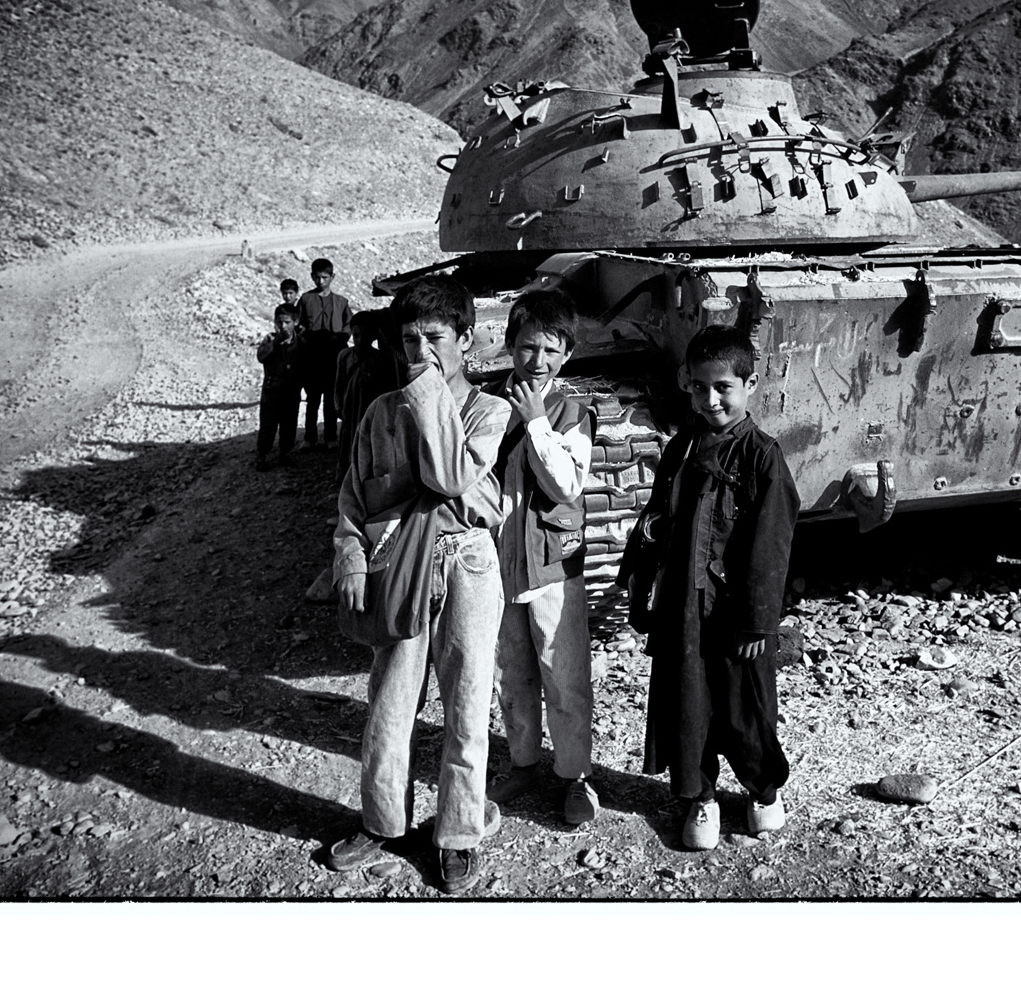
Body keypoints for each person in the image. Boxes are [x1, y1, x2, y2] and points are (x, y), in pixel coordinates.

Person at [328, 275, 511, 895]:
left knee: (465, 706)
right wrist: (350, 559)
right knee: (390, 700)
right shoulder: (379, 413)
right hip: (397, 568)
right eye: (409, 340)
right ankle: (382, 823)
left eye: (435, 337)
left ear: (467, 338)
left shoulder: (490, 410)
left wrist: (429, 388)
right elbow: (355, 497)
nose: (421, 350)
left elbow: (452, 474)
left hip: (467, 566)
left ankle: (458, 832)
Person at [616, 324, 800, 851]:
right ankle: (701, 797)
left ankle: (762, 790)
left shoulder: (763, 457)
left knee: (746, 708)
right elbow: (655, 520)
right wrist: (639, 582)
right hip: (682, 608)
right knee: (689, 703)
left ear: (750, 384)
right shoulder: (680, 448)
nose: (710, 399)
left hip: (735, 613)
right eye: (699, 387)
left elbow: (771, 548)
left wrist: (758, 622)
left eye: (723, 387)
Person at [483, 290, 600, 826]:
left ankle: (576, 776)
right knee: (512, 673)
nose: (539, 362)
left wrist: (534, 423)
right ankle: (525, 761)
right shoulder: (484, 404)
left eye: (552, 352)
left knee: (564, 673)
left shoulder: (571, 412)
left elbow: (568, 486)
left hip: (553, 567)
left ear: (567, 356)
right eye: (529, 348)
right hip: (496, 563)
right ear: (510, 345)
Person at [333, 310, 395, 481]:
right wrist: (338, 406)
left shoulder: (380, 359)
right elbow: (339, 383)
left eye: (365, 335)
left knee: (368, 442)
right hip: (350, 409)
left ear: (375, 335)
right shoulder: (345, 356)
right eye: (356, 335)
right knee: (347, 441)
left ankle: (365, 478)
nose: (360, 340)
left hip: (369, 410)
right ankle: (346, 477)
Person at [297, 258, 352, 449]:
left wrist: (338, 339)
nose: (320, 282)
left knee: (330, 400)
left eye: (325, 277)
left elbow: (349, 326)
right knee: (312, 401)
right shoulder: (305, 299)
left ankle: (331, 438)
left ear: (332, 277)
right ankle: (309, 438)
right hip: (312, 359)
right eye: (317, 277)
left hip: (333, 360)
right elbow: (298, 324)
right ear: (312, 277)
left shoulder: (341, 302)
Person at [254, 305, 304, 471]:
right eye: (279, 322)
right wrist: (275, 343)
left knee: (289, 424)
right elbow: (261, 356)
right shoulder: (269, 340)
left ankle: (285, 453)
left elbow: (307, 365)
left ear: (295, 322)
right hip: (272, 390)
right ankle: (262, 455)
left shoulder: (301, 342)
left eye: (287, 322)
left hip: (291, 390)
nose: (283, 326)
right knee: (268, 425)